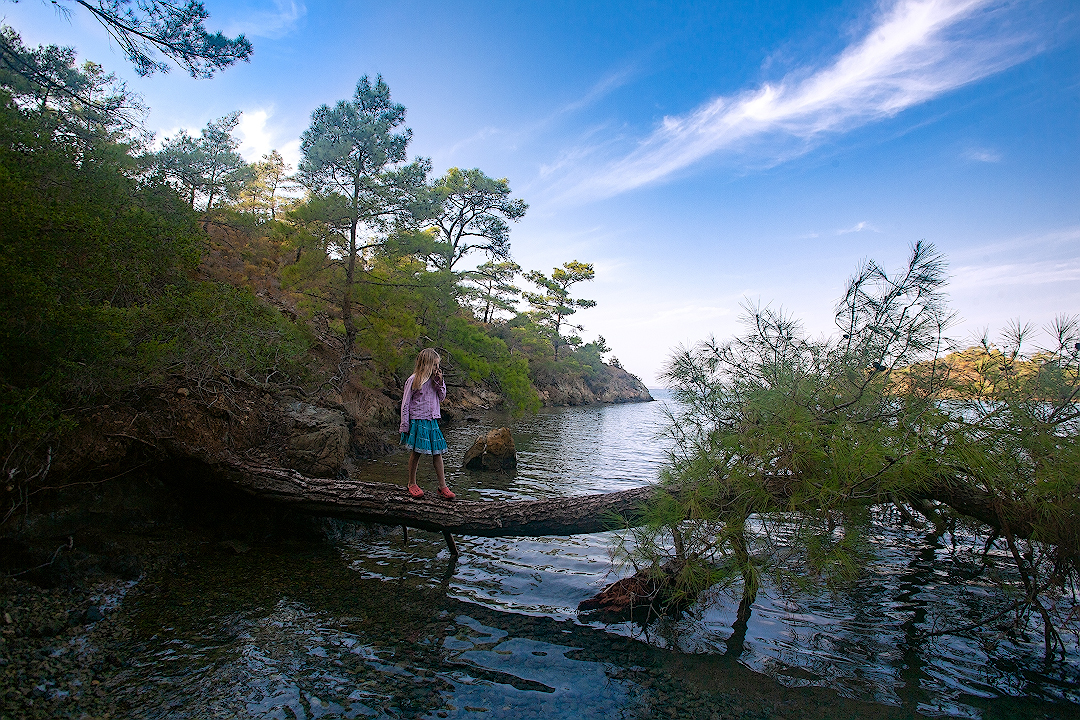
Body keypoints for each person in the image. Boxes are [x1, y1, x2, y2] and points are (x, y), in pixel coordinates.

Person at [399, 348, 455, 500]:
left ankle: (442, 486)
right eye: (435, 365)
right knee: (416, 452)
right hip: (418, 420)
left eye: (438, 365)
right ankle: (412, 483)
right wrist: (405, 425)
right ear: (427, 364)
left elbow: (442, 397)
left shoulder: (435, 381)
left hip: (432, 421)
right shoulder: (413, 379)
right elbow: (405, 404)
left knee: (437, 453)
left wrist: (440, 382)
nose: (437, 368)